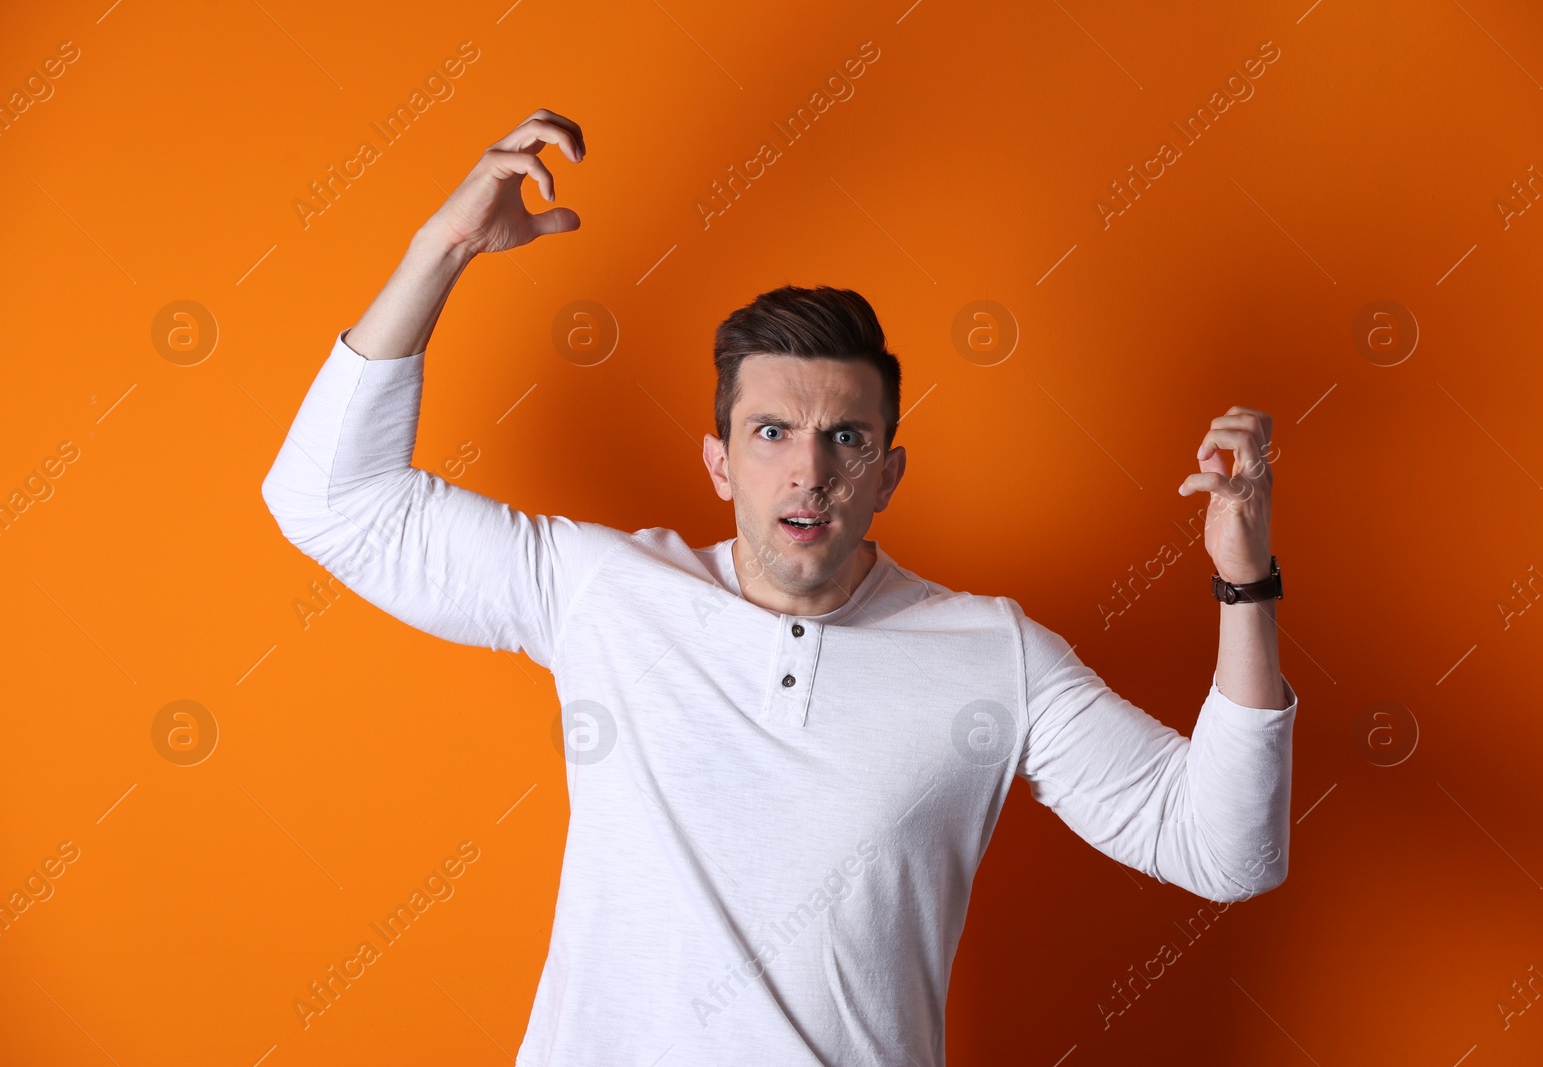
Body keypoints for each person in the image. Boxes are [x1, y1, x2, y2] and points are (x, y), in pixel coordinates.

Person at [261, 108, 1298, 1066]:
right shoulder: (603, 589)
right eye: (772, 434)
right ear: (719, 462)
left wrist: (1242, 578)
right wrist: (440, 249)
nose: (809, 471)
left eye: (846, 437)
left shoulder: (993, 652)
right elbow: (329, 500)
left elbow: (1220, 848)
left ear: (888, 472)